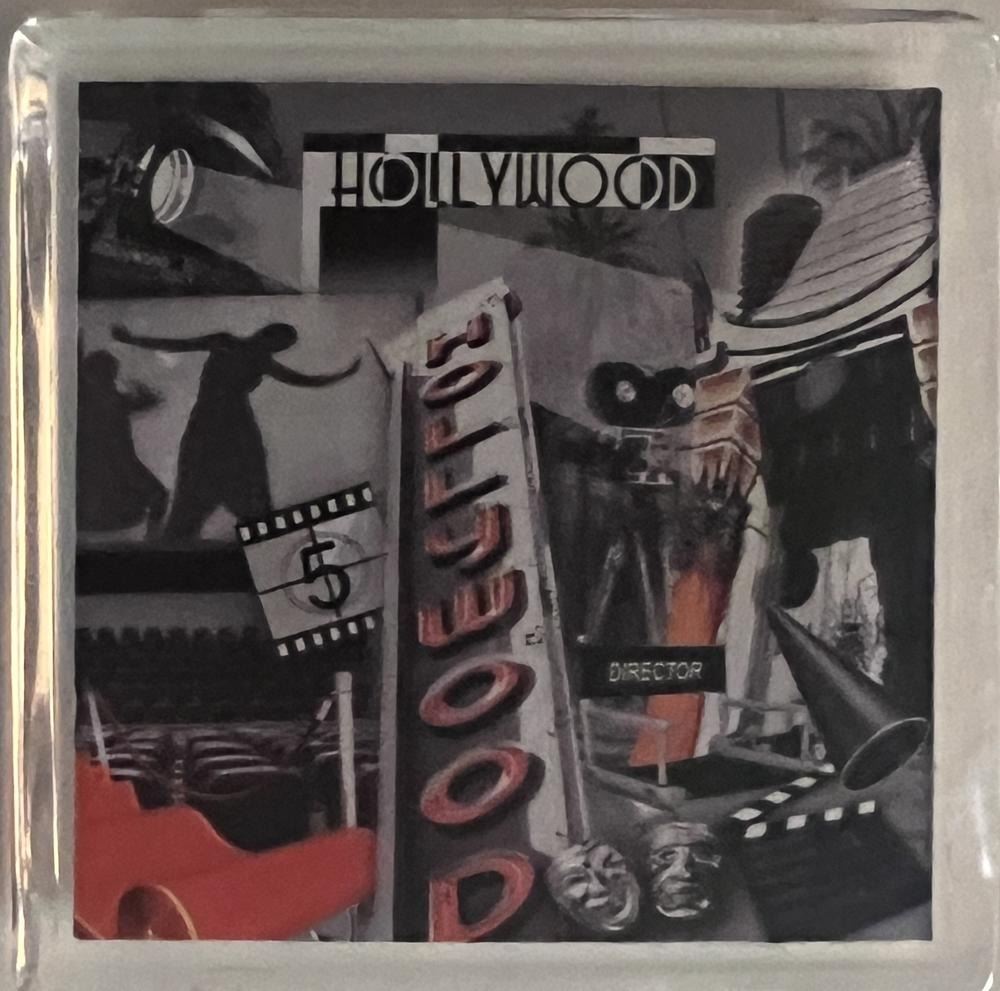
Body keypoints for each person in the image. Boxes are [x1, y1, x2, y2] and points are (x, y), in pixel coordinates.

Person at [111, 322, 360, 541]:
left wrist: (341, 375)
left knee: (239, 477)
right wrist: (131, 339)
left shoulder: (253, 356)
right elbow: (178, 345)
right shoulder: (229, 345)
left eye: (282, 347)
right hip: (217, 422)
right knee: (207, 474)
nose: (277, 349)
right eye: (280, 344)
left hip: (226, 424)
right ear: (267, 335)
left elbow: (302, 380)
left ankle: (247, 529)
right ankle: (193, 529)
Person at [77, 349, 168, 536]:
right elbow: (150, 399)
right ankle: (152, 540)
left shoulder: (101, 400)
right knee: (159, 496)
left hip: (115, 466)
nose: (111, 378)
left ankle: (153, 540)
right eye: (109, 373)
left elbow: (149, 400)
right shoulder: (109, 401)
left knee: (159, 496)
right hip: (117, 466)